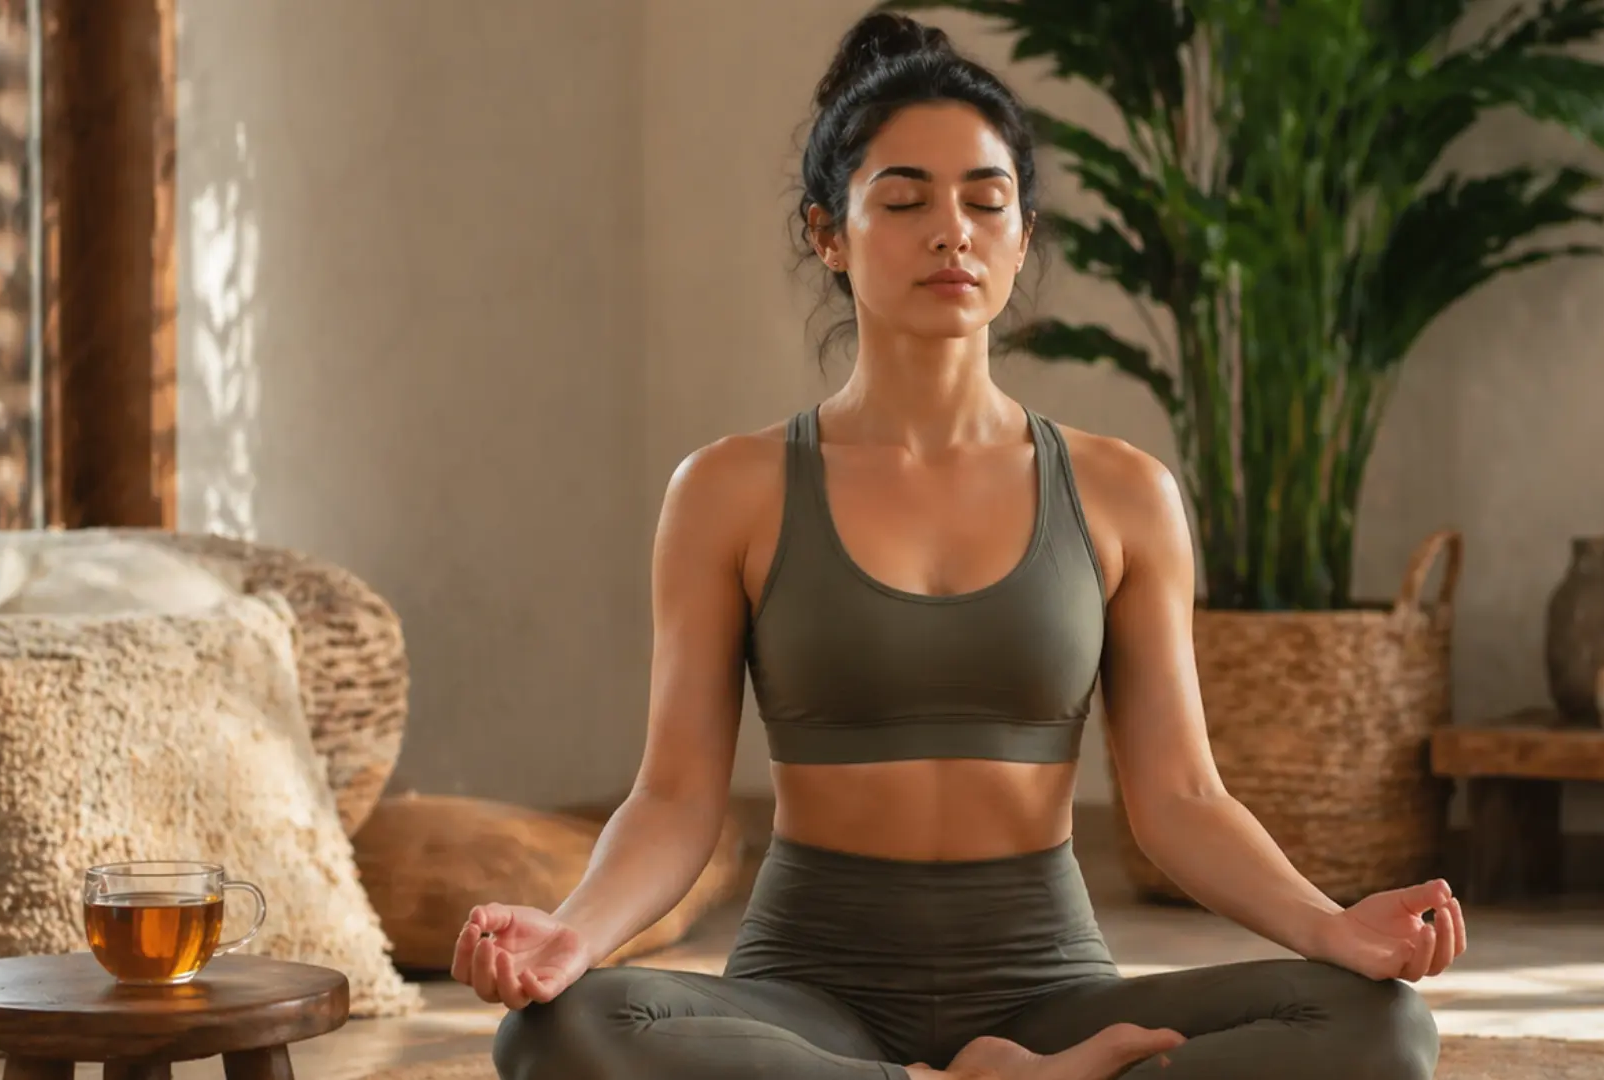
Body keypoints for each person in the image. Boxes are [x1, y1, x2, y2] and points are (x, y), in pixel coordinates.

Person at [455, 12, 1461, 1080]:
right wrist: (576, 934)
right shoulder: (728, 491)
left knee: (1380, 1028)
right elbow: (674, 799)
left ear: (1023, 237)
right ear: (826, 234)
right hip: (806, 993)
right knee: (563, 1031)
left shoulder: (1124, 493)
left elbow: (1181, 801)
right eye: (903, 201)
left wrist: (1332, 929)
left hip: (1054, 990)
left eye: (987, 202)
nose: (954, 232)